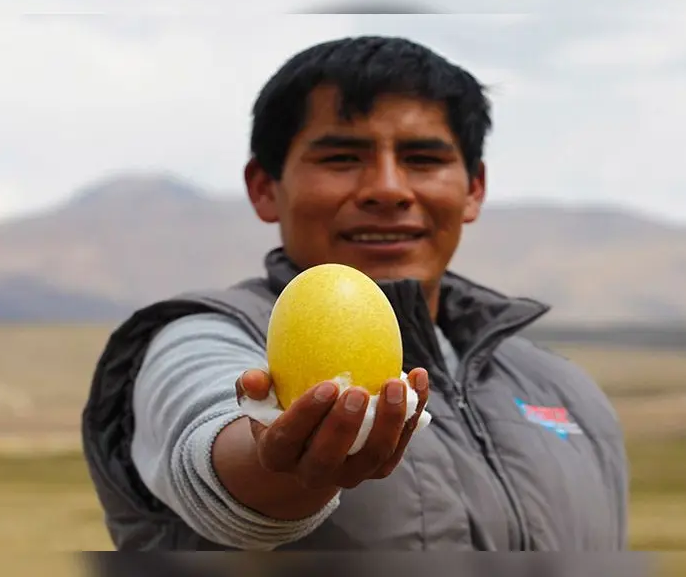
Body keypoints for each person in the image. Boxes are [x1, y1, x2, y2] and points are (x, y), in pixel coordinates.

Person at [81, 35, 629, 551]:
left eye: (424, 159)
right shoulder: (198, 336)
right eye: (341, 158)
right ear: (264, 188)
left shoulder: (565, 391)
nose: (388, 189)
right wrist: (280, 465)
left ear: (473, 189)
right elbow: (208, 444)